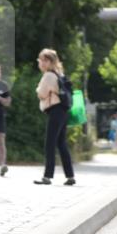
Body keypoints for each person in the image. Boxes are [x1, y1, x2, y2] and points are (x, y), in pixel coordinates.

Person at [34, 48, 76, 186]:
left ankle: (47, 176)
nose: (41, 63)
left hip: (55, 111)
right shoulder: (60, 74)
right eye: (41, 60)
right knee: (61, 143)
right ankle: (70, 176)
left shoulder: (48, 76)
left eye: (44, 60)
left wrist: (38, 89)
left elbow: (42, 94)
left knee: (50, 144)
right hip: (63, 111)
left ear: (49, 61)